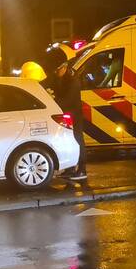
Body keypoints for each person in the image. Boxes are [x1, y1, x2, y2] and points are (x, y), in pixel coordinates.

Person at [42, 48, 87, 181]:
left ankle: (82, 169)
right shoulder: (55, 76)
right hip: (63, 117)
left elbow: (67, 100)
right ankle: (70, 168)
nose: (56, 72)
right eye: (54, 70)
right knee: (68, 142)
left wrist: (51, 101)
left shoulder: (73, 81)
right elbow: (44, 84)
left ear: (65, 66)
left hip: (74, 116)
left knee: (77, 141)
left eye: (58, 69)